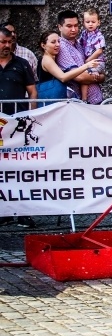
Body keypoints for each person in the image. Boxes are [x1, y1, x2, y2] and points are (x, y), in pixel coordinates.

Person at [0, 27, 37, 228]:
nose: (7, 46)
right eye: (3, 42)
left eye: (10, 42)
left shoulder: (22, 64)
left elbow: (32, 92)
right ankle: (3, 212)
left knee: (20, 169)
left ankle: (23, 212)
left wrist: (31, 116)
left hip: (17, 124)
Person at [36, 31, 100, 103]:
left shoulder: (52, 58)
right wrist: (86, 66)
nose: (58, 45)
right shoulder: (47, 59)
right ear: (43, 45)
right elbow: (63, 77)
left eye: (58, 41)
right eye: (53, 42)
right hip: (50, 99)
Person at [55, 10, 103, 104]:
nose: (73, 29)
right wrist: (99, 77)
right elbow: (80, 77)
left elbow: (101, 71)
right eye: (69, 26)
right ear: (60, 27)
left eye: (76, 25)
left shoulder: (79, 44)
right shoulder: (61, 47)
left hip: (95, 100)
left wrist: (100, 76)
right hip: (80, 104)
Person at [78, 8, 107, 102]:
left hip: (97, 62)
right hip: (88, 63)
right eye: (87, 22)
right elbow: (78, 44)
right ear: (83, 22)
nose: (90, 24)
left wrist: (87, 61)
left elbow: (99, 51)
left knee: (85, 76)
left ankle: (84, 99)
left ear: (98, 22)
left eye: (93, 22)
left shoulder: (99, 36)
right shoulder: (84, 34)